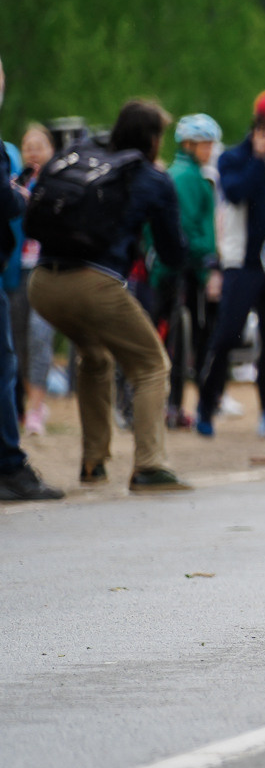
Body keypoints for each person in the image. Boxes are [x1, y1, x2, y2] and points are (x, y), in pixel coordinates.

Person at [27, 99, 190, 491]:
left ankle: (93, 463)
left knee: (95, 356)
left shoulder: (80, 155)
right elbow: (173, 252)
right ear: (153, 140)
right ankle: (150, 465)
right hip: (93, 285)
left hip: (42, 284)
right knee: (151, 365)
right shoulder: (150, 178)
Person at [198, 89, 265, 439]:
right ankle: (205, 405)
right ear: (259, 123)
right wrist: (257, 159)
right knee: (228, 335)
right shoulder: (234, 157)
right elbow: (234, 193)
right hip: (242, 262)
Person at [0, 59, 56, 500]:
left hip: (34, 271)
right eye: (27, 144)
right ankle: (9, 462)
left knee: (30, 343)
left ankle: (32, 413)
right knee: (7, 357)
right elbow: (10, 206)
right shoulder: (12, 169)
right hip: (16, 269)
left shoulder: (51, 179)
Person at [160, 113, 222, 429]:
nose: (209, 149)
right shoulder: (186, 177)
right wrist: (207, 260)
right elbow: (188, 225)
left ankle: (177, 405)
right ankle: (174, 405)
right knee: (185, 338)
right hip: (188, 268)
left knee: (183, 337)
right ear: (188, 144)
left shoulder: (192, 174)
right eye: (204, 143)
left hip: (185, 266)